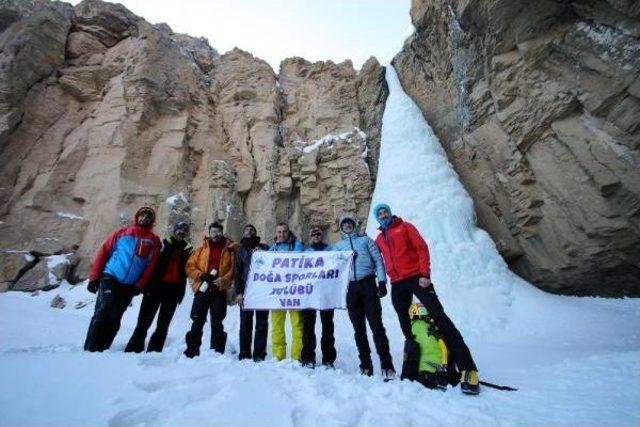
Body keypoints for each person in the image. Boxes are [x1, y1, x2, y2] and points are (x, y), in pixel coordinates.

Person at [372, 203, 480, 395]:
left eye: (385, 211)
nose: (383, 214)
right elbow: (376, 260)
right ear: (377, 218)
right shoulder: (379, 239)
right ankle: (420, 365)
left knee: (441, 319)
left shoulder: (405, 227)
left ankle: (468, 369)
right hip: (397, 284)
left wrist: (425, 274)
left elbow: (421, 248)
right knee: (407, 325)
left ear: (389, 212)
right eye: (379, 213)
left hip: (416, 278)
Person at [84, 206, 161, 352]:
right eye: (142, 215)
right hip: (111, 276)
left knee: (116, 314)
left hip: (130, 285)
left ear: (151, 221)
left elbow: (150, 266)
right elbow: (104, 252)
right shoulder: (122, 233)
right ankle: (90, 348)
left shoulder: (153, 241)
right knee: (105, 309)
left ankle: (103, 348)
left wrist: (139, 285)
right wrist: (94, 277)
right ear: (137, 217)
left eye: (148, 217)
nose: (144, 218)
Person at [332, 215, 395, 380]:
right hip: (350, 288)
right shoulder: (338, 247)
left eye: (349, 224)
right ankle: (365, 365)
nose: (346, 226)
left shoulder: (366, 241)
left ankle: (387, 365)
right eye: (343, 224)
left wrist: (382, 281)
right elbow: (328, 264)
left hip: (368, 284)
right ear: (341, 228)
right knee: (358, 329)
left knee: (377, 326)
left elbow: (378, 260)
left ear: (353, 225)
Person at [125, 222, 193, 353]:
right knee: (144, 321)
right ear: (174, 231)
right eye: (179, 230)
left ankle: (154, 351)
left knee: (163, 324)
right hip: (156, 287)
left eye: (184, 231)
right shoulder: (162, 244)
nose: (181, 233)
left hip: (173, 290)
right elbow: (150, 264)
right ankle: (134, 348)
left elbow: (186, 272)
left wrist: (180, 293)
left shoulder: (188, 250)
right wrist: (146, 285)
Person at [183, 222, 238, 358]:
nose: (215, 234)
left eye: (218, 232)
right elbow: (190, 267)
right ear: (209, 233)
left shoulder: (229, 251)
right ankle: (191, 351)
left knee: (217, 321)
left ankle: (217, 351)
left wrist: (224, 280)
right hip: (202, 290)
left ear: (222, 233)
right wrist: (201, 275)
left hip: (218, 291)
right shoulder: (200, 250)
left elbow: (233, 269)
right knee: (197, 320)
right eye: (213, 232)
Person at [300, 226, 336, 368]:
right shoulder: (305, 252)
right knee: (308, 326)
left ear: (322, 235)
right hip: (309, 293)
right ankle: (308, 357)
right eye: (313, 233)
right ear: (310, 237)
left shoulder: (330, 251)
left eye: (318, 233)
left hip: (326, 293)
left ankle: (328, 359)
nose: (316, 235)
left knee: (328, 327)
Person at [269, 222, 305, 361]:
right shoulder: (273, 249)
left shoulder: (296, 245)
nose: (282, 234)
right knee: (277, 325)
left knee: (297, 325)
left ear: (288, 233)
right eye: (279, 232)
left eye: (284, 231)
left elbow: (301, 259)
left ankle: (297, 356)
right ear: (276, 234)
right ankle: (278, 355)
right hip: (278, 292)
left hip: (294, 291)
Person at [234, 224, 269, 361]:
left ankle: (259, 354)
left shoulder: (264, 248)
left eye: (252, 230)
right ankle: (244, 353)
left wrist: (263, 253)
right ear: (243, 233)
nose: (249, 232)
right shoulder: (240, 251)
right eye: (246, 230)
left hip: (261, 290)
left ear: (255, 233)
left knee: (261, 323)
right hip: (246, 291)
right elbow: (237, 273)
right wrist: (238, 292)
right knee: (245, 324)